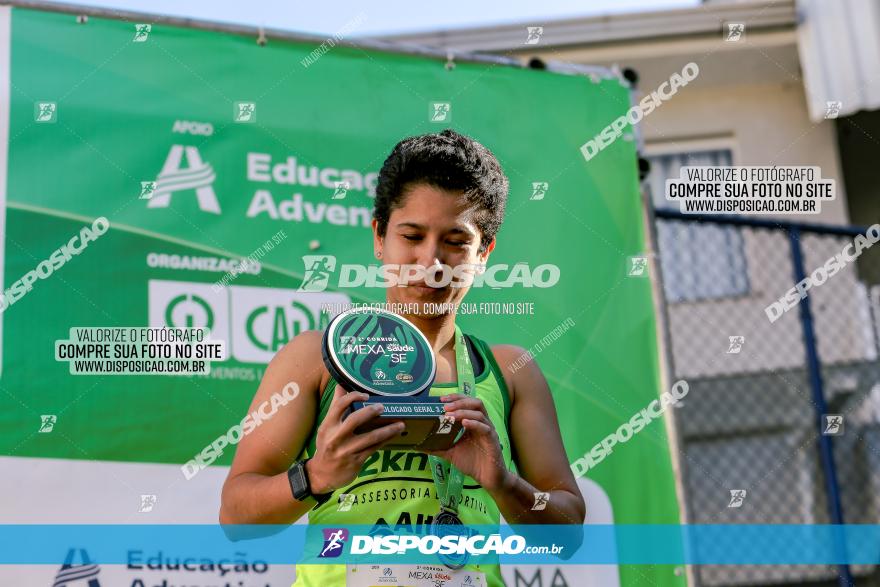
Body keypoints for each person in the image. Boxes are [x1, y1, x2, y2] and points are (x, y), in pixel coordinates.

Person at [219, 128, 585, 586]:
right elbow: (236, 516)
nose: (431, 260)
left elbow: (569, 534)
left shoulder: (510, 372)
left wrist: (504, 483)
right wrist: (316, 475)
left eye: (456, 241)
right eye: (412, 235)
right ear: (379, 237)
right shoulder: (315, 358)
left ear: (485, 252)